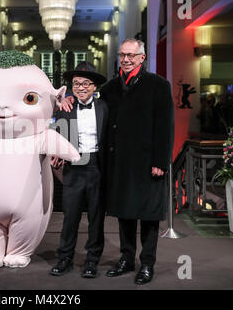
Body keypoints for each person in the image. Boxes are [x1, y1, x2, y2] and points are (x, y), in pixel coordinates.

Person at [61, 39, 174, 285]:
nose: (126, 59)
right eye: (123, 55)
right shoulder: (111, 88)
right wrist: (68, 96)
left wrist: (160, 161)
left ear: (142, 58)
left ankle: (147, 263)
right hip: (119, 164)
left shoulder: (158, 85)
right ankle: (126, 258)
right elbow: (88, 98)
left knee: (148, 215)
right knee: (125, 213)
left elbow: (165, 127)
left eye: (131, 55)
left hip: (147, 163)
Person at [50, 61, 108, 278]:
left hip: (97, 166)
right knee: (70, 216)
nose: (81, 87)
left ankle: (92, 260)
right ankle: (64, 257)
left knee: (96, 217)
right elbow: (57, 133)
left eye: (86, 84)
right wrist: (56, 152)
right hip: (74, 165)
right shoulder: (65, 107)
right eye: (76, 84)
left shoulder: (104, 107)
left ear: (94, 87)